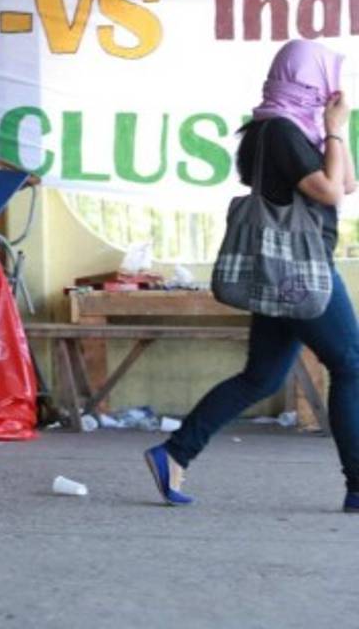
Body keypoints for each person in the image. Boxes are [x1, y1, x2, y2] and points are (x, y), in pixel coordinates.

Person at [145, 39, 359, 510]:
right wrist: (334, 129)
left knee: (261, 377)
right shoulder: (280, 130)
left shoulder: (289, 128)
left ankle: (174, 453)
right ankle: (358, 486)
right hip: (300, 270)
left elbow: (346, 181)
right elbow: (329, 193)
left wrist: (333, 132)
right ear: (309, 81)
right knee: (351, 364)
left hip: (283, 268)